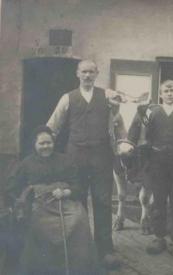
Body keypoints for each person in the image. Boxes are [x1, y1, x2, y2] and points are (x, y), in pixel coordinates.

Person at [47, 60, 121, 269]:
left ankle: (105, 249)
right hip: (76, 157)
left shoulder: (106, 96)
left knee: (103, 201)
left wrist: (117, 102)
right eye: (84, 72)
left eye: (91, 72)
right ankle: (80, 248)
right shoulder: (67, 98)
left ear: (97, 74)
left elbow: (119, 120)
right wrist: (48, 151)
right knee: (77, 201)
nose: (87, 75)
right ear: (77, 74)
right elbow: (53, 126)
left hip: (101, 157)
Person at [6, 126, 101, 275]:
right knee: (38, 223)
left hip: (65, 202)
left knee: (80, 219)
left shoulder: (65, 160)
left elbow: (78, 186)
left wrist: (65, 192)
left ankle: (76, 267)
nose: (45, 147)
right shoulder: (27, 163)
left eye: (48, 143)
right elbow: (14, 186)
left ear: (53, 143)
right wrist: (22, 199)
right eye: (41, 143)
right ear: (35, 145)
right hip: (39, 204)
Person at [126, 80, 173, 260]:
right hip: (157, 163)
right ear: (161, 94)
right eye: (166, 90)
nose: (170, 93)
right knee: (158, 202)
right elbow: (145, 138)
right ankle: (159, 238)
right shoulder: (153, 114)